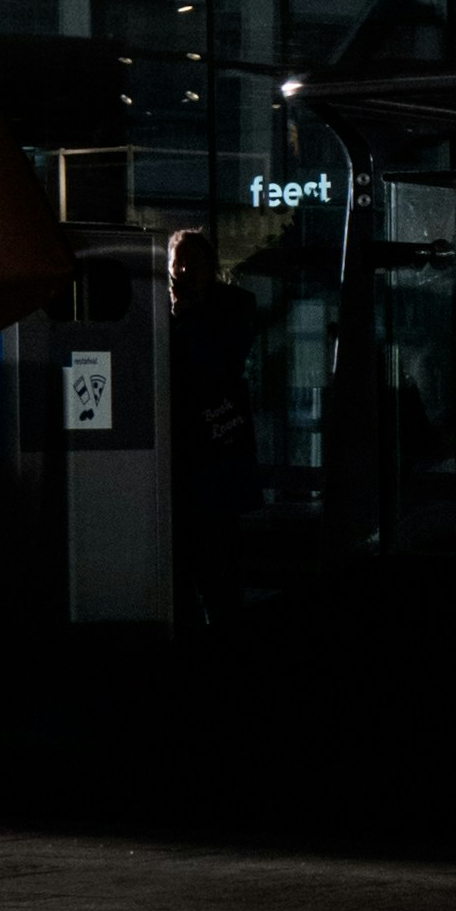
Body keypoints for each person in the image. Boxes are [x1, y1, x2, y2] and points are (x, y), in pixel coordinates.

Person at [165, 227, 260, 623]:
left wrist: (187, 319)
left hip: (218, 444)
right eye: (178, 263)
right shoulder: (160, 309)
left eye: (193, 262)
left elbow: (220, 367)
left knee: (219, 557)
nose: (185, 270)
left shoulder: (235, 306)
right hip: (177, 448)